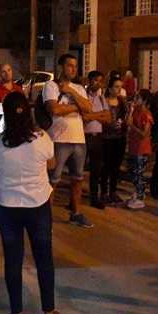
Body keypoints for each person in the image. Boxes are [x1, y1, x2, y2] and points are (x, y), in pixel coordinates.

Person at [0, 91, 62, 314]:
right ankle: (49, 313)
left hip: (7, 208)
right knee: (44, 259)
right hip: (37, 206)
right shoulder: (41, 139)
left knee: (13, 260)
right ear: (28, 112)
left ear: (4, 114)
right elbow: (51, 163)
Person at [44, 54, 94, 228]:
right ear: (61, 67)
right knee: (53, 179)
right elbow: (55, 109)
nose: (73, 69)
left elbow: (88, 108)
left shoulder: (78, 88)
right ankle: (46, 215)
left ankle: (76, 212)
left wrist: (71, 92)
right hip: (58, 139)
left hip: (79, 140)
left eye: (75, 66)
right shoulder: (51, 86)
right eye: (69, 65)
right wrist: (77, 107)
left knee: (78, 178)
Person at [82, 71, 112, 209]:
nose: (98, 83)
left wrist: (93, 115)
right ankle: (74, 200)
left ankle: (94, 198)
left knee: (96, 170)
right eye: (95, 80)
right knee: (79, 169)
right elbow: (84, 117)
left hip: (98, 137)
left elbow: (108, 118)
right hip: (85, 136)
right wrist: (100, 115)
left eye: (100, 81)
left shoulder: (102, 98)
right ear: (89, 81)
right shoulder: (83, 96)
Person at [100, 76, 127, 205]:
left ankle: (113, 191)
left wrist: (122, 122)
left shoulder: (122, 101)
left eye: (120, 87)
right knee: (106, 166)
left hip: (120, 137)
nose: (118, 89)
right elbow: (99, 118)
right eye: (116, 87)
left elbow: (126, 116)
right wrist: (109, 124)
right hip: (106, 138)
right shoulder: (103, 101)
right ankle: (104, 192)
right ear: (109, 88)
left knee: (116, 166)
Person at [126, 89, 153, 209]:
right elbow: (127, 121)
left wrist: (132, 126)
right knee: (132, 172)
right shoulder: (135, 110)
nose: (135, 99)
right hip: (133, 147)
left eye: (138, 98)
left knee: (139, 174)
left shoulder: (146, 114)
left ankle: (140, 197)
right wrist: (130, 111)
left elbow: (144, 134)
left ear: (144, 100)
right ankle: (137, 194)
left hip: (141, 149)